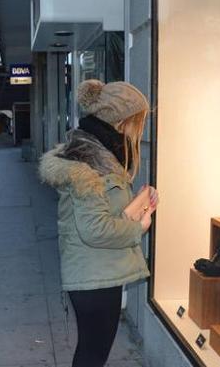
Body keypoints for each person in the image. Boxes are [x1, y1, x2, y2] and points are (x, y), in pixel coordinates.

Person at [38, 80, 159, 367]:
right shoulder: (91, 165)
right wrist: (138, 227)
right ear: (120, 121)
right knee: (92, 355)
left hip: (98, 271)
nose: (139, 130)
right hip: (94, 279)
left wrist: (137, 201)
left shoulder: (100, 155)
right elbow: (95, 228)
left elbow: (101, 212)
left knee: (92, 352)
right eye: (136, 122)